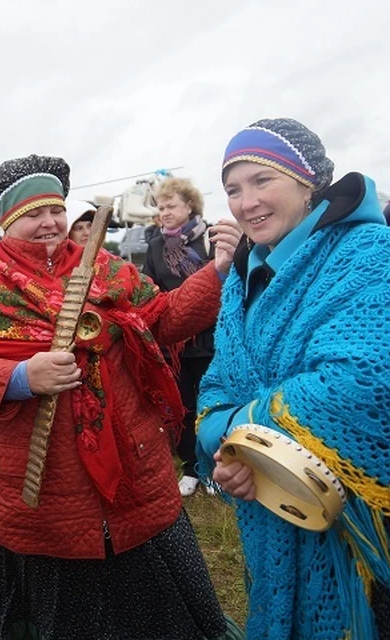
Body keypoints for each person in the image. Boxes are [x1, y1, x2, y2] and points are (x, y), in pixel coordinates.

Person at [197, 118, 390, 640]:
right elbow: (216, 384)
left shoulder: (369, 254)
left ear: (307, 181)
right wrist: (225, 446)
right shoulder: (245, 276)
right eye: (233, 189)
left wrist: (239, 432)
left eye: (261, 181)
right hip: (286, 504)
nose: (246, 203)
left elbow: (363, 381)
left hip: (383, 513)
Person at [0, 154, 244, 640]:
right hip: (37, 483)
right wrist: (20, 376)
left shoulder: (103, 266)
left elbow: (162, 319)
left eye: (55, 210)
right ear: (6, 222)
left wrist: (219, 273)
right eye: (32, 214)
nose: (50, 223)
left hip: (131, 466)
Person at [142, 176, 219, 497]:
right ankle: (192, 466)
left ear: (190, 206)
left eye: (171, 205)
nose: (165, 212)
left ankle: (217, 465)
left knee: (213, 402)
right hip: (175, 344)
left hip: (213, 336)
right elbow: (149, 287)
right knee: (183, 405)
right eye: (160, 207)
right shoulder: (156, 245)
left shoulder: (212, 238)